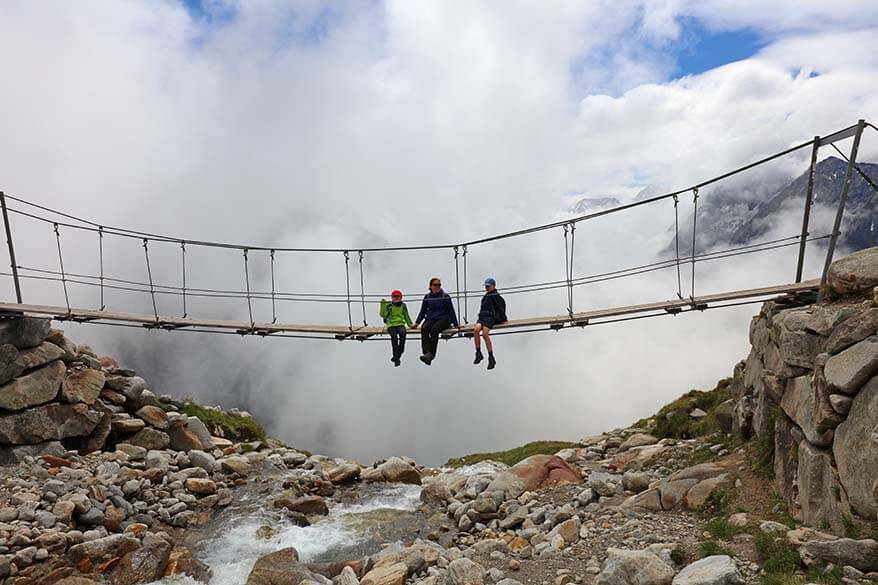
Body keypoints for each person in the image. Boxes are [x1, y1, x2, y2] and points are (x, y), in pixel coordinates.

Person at [413, 277, 459, 365]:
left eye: (439, 285)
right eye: (435, 285)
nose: (437, 286)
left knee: (434, 330)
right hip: (431, 318)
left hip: (444, 318)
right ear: (430, 286)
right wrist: (417, 323)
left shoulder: (445, 296)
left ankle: (431, 354)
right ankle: (426, 353)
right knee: (424, 328)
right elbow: (423, 311)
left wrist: (456, 324)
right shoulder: (427, 297)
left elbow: (451, 311)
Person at [473, 277, 507, 370]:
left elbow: (501, 307)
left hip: (490, 317)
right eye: (486, 286)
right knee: (476, 330)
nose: (487, 288)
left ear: (493, 286)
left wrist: (502, 318)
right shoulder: (485, 297)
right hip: (482, 317)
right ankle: (478, 352)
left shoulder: (495, 296)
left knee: (484, 334)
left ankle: (491, 356)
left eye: (488, 286)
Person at [379, 290, 414, 367]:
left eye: (398, 296)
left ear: (401, 297)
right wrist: (382, 305)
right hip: (391, 324)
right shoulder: (389, 305)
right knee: (394, 337)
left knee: (403, 333)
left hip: (400, 323)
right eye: (394, 296)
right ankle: (396, 357)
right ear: (392, 297)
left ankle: (399, 352)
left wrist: (410, 324)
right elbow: (383, 315)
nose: (396, 298)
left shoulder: (403, 306)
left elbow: (406, 315)